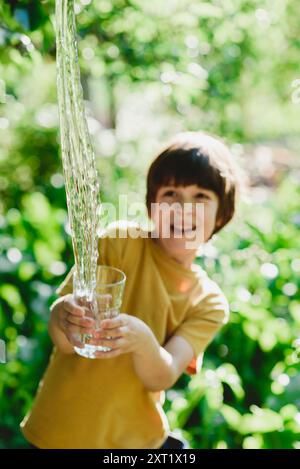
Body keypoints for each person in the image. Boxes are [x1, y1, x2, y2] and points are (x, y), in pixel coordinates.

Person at [21, 131, 241, 449]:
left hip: (134, 442)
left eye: (201, 197)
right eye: (170, 194)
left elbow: (162, 376)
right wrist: (64, 317)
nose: (183, 209)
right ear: (152, 206)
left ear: (221, 215)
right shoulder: (119, 243)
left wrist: (142, 341)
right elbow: (64, 338)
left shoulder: (208, 302)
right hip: (60, 432)